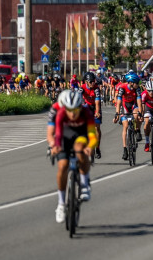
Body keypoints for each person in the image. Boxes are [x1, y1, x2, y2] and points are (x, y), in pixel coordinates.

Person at [50, 90, 97, 223]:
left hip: (81, 135)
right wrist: (56, 146)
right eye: (69, 110)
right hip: (66, 136)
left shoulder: (87, 113)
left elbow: (93, 136)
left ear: (80, 107)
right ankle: (60, 204)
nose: (72, 113)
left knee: (80, 149)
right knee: (63, 165)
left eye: (75, 109)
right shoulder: (60, 114)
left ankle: (84, 184)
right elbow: (58, 135)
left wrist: (90, 147)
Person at [115, 73, 143, 161]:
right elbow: (119, 102)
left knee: (137, 115)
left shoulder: (137, 89)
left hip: (133, 106)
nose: (138, 85)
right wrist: (117, 113)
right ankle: (125, 149)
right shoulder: (122, 88)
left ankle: (137, 130)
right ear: (131, 83)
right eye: (136, 83)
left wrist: (140, 113)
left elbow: (139, 101)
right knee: (125, 126)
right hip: (125, 107)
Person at [80, 72, 103, 159]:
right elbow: (77, 98)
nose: (93, 83)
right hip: (87, 106)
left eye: (94, 81)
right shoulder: (82, 88)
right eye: (91, 82)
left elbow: (97, 102)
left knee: (97, 127)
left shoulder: (96, 89)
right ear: (86, 82)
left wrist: (97, 112)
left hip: (95, 107)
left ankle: (97, 148)